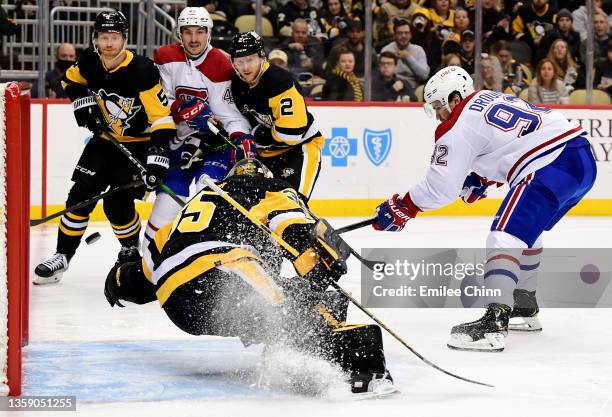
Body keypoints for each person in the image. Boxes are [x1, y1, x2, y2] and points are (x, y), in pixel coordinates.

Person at [104, 158, 396, 396]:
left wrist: (117, 281)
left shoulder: (187, 212)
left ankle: (295, 356)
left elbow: (144, 281)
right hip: (219, 271)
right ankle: (364, 366)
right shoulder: (264, 187)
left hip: (179, 308)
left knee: (274, 311)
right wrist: (314, 264)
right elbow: (290, 223)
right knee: (303, 305)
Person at [372, 66, 596, 352]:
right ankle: (524, 305)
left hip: (549, 165)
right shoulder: (488, 98)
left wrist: (401, 207)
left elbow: (441, 188)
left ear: (455, 97)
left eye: (440, 106)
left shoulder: (456, 124)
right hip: (581, 159)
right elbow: (510, 141)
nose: (439, 114)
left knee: (504, 236)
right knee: (526, 232)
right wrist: (482, 177)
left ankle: (494, 321)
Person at [34, 10, 176, 284]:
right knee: (78, 197)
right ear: (95, 39)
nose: (108, 43)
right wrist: (82, 104)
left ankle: (130, 250)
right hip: (103, 143)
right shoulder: (89, 60)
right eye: (103, 37)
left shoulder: (143, 70)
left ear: (124, 39)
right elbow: (69, 81)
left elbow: (162, 119)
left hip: (137, 146)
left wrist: (157, 160)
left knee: (117, 203)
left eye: (114, 37)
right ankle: (62, 256)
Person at [147, 7, 254, 248]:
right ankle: (148, 262)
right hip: (177, 143)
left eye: (200, 32)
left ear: (209, 33)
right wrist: (181, 108)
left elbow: (229, 115)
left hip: (213, 146)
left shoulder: (222, 64)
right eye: (188, 32)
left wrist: (241, 137)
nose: (194, 39)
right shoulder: (165, 56)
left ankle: (209, 256)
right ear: (179, 33)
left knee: (206, 193)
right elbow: (157, 100)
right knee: (167, 205)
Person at [230, 32, 324, 201]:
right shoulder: (237, 84)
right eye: (240, 61)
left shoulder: (279, 82)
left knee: (291, 204)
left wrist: (256, 135)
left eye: (250, 59)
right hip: (266, 153)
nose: (245, 67)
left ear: (261, 57)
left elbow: (291, 135)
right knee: (257, 206)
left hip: (298, 150)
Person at [381, 19, 429, 88]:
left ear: (411, 35)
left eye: (406, 33)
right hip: (391, 86)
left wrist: (408, 58)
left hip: (412, 88)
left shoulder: (418, 50)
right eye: (400, 33)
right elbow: (382, 74)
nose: (403, 36)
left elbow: (424, 75)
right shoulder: (387, 50)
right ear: (394, 35)